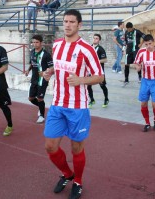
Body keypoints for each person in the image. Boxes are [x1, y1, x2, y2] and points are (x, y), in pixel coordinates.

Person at [42, 9, 104, 199]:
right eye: (65, 21)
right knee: (50, 146)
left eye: (72, 22)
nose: (67, 25)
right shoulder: (57, 45)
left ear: (79, 25)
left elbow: (100, 77)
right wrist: (50, 71)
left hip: (78, 107)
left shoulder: (87, 48)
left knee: (76, 148)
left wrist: (82, 80)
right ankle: (68, 174)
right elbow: (58, 65)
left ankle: (78, 181)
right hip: (57, 104)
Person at [133, 34, 155, 132]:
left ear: (154, 42)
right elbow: (137, 62)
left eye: (150, 44)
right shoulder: (141, 52)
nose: (148, 46)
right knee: (143, 103)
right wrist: (137, 67)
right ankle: (147, 123)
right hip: (145, 81)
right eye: (146, 44)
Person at [25, 34, 53, 123]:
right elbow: (32, 63)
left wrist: (46, 73)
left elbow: (52, 67)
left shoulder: (46, 55)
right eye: (33, 42)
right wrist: (28, 70)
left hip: (43, 80)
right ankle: (41, 108)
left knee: (40, 98)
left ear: (41, 43)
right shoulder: (32, 52)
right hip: (34, 79)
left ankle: (41, 115)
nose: (34, 44)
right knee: (30, 98)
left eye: (37, 42)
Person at [88, 33, 109, 108]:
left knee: (102, 86)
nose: (95, 40)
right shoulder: (89, 47)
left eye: (96, 38)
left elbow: (105, 60)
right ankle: (92, 100)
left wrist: (96, 61)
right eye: (94, 38)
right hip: (90, 70)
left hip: (99, 70)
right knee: (88, 86)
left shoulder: (101, 49)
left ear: (99, 40)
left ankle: (106, 99)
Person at [123, 22, 145, 86]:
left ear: (132, 27)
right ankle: (126, 79)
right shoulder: (126, 32)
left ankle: (140, 77)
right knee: (126, 64)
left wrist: (141, 44)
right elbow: (125, 41)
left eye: (129, 29)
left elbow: (144, 36)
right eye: (127, 29)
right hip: (128, 50)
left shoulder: (137, 31)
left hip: (135, 50)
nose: (128, 30)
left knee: (137, 63)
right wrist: (123, 49)